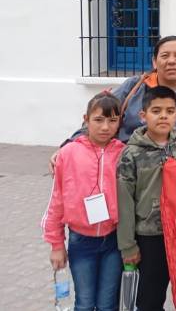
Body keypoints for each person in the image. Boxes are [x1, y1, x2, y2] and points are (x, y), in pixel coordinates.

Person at [49, 36, 176, 172]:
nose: (172, 61)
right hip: (128, 175)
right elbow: (100, 116)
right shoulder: (134, 87)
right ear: (154, 61)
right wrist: (69, 145)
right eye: (165, 56)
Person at [117, 86, 176, 311]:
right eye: (156, 111)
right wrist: (128, 246)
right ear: (143, 115)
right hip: (150, 237)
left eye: (169, 111)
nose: (163, 116)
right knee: (149, 299)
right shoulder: (131, 154)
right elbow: (125, 202)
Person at [42, 92, 126, 311]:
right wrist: (57, 245)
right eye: (98, 120)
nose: (105, 127)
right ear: (85, 120)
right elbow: (56, 201)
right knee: (85, 303)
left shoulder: (124, 153)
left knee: (108, 304)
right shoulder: (68, 153)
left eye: (112, 120)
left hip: (114, 242)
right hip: (81, 243)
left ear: (120, 122)